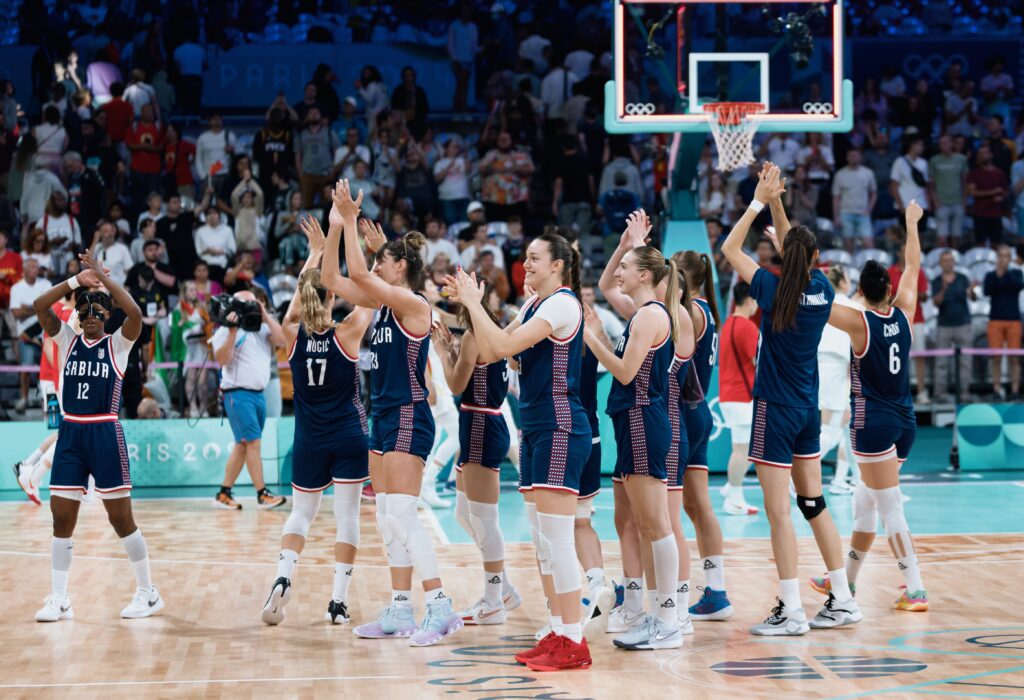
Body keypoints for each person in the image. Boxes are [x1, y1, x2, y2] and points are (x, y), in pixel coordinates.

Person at [721, 163, 862, 635]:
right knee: (813, 503)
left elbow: (728, 248)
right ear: (817, 257)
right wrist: (779, 201)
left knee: (780, 513)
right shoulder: (822, 288)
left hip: (775, 409)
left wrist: (761, 198)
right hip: (806, 408)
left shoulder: (770, 286)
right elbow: (796, 248)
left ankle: (792, 609)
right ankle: (842, 599)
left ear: (782, 253)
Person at [449, 232, 592, 671]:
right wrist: (472, 313)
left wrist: (474, 303)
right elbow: (491, 351)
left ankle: (574, 639)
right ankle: (556, 629)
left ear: (558, 265)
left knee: (557, 541)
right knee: (542, 543)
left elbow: (506, 347)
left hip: (559, 426)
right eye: (525, 257)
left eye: (534, 258)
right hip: (534, 428)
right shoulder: (535, 305)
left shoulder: (564, 304)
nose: (525, 264)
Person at [327, 180, 462, 647]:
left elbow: (363, 278)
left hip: (408, 414)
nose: (376, 262)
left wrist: (348, 222)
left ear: (400, 267)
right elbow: (332, 281)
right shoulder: (382, 303)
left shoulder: (413, 304)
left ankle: (440, 606)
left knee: (404, 515)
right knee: (386, 517)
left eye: (385, 258)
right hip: (382, 416)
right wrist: (333, 228)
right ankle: (401, 608)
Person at [809, 201, 928, 613]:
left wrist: (799, 261)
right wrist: (912, 225)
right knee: (866, 499)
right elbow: (912, 265)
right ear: (890, 290)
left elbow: (815, 301)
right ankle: (846, 579)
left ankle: (915, 587)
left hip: (872, 423)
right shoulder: (906, 311)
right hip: (905, 422)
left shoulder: (858, 322)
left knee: (888, 505)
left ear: (861, 291)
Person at [31, 253, 164, 621]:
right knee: (61, 519)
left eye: (98, 310)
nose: (90, 314)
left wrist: (105, 279)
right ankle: (60, 598)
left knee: (121, 520)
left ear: (107, 316)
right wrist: (77, 281)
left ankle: (148, 592)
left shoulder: (118, 345)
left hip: (105, 433)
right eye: (85, 310)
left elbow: (135, 314)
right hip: (71, 434)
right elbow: (38, 305)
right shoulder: (67, 340)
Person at [261, 215, 374, 627]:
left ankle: (283, 575)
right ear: (332, 298)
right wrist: (352, 237)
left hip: (308, 438)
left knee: (301, 514)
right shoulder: (347, 334)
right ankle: (338, 602)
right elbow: (369, 293)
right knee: (347, 519)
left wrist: (315, 251)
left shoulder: (291, 334)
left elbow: (298, 301)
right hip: (348, 436)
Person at [584, 217, 691, 651]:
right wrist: (628, 242)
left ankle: (668, 620)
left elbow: (626, 371)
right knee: (644, 524)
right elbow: (608, 280)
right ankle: (656, 615)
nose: (620, 273)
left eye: (628, 265)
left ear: (645, 275)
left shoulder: (651, 315)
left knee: (657, 525)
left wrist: (594, 338)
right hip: (633, 422)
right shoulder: (645, 312)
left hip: (645, 420)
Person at [431, 283, 522, 625]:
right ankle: (505, 588)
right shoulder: (494, 331)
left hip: (483, 423)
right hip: (479, 423)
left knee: (485, 520)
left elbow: (455, 386)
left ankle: (494, 600)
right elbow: (466, 380)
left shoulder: (472, 337)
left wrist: (443, 352)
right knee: (463, 513)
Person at [210, 287, 287, 510]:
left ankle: (223, 493)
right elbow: (222, 360)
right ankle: (262, 494)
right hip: (237, 394)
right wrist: (233, 330)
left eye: (253, 303)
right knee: (252, 443)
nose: (249, 308)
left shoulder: (262, 328)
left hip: (258, 394)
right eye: (245, 304)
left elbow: (282, 340)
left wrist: (265, 315)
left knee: (242, 446)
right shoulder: (224, 330)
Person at [717, 280, 759, 515]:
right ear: (749, 300)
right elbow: (759, 363)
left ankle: (730, 486)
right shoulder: (747, 327)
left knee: (752, 448)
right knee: (744, 450)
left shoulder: (729, 325)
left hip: (731, 395)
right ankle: (734, 496)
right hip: (742, 397)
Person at [817, 266, 859, 495]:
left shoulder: (821, 302)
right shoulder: (850, 306)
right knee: (831, 430)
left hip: (832, 369)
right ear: (842, 282)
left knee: (847, 427)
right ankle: (796, 476)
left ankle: (849, 480)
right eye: (848, 277)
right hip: (834, 369)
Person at [931, 250, 975, 403]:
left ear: (954, 262)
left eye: (950, 260)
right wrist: (943, 290)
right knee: (941, 361)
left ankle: (964, 393)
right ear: (940, 263)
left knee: (965, 361)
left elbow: (973, 297)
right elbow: (936, 303)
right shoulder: (937, 281)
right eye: (945, 260)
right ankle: (940, 394)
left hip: (963, 323)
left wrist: (973, 291)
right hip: (944, 325)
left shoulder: (963, 278)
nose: (948, 263)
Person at [10, 257, 52, 411]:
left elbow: (51, 307)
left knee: (48, 369)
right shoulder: (16, 288)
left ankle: (45, 397)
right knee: (26, 367)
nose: (36, 269)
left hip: (45, 333)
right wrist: (38, 307)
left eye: (37, 266)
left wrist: (27, 308)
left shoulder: (46, 284)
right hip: (26, 335)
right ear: (25, 269)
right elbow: (16, 312)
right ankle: (24, 398)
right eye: (33, 266)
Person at [983, 246, 1023, 399]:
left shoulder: (1016, 273)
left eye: (1006, 256)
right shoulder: (991, 275)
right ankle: (996, 389)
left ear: (1010, 258)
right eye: (1001, 256)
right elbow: (988, 291)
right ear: (997, 257)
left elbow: (1017, 286)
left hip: (1014, 320)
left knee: (1014, 357)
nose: (1003, 259)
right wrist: (999, 275)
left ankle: (1014, 390)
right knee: (996, 357)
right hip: (995, 320)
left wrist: (1005, 273)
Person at [169, 280, 211, 418]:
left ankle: (203, 407)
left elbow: (209, 324)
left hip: (202, 348)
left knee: (202, 381)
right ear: (185, 292)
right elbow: (175, 330)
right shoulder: (178, 310)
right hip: (188, 350)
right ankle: (193, 407)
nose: (194, 292)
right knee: (191, 379)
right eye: (191, 290)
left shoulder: (202, 308)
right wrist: (183, 326)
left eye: (195, 289)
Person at [832, 148, 877, 252]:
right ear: (847, 158)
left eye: (855, 155)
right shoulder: (840, 174)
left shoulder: (868, 173)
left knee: (869, 245)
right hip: (846, 213)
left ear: (860, 157)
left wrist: (869, 209)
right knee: (848, 247)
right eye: (851, 156)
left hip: (863, 214)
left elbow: (874, 193)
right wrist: (836, 216)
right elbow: (836, 197)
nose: (853, 158)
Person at [928, 134, 968, 248]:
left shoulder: (961, 159)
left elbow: (965, 182)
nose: (943, 146)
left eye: (945, 143)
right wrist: (935, 201)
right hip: (942, 203)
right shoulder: (934, 160)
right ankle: (941, 261)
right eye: (940, 143)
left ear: (952, 143)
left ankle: (954, 262)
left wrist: (964, 201)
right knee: (942, 238)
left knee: (957, 238)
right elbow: (931, 184)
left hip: (958, 202)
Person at [966, 144, 1008, 248]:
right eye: (980, 154)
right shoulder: (974, 173)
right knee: (980, 244)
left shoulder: (999, 173)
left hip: (996, 214)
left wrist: (1001, 197)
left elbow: (1005, 191)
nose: (982, 156)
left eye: (985, 153)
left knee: (996, 244)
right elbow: (973, 192)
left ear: (991, 155)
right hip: (980, 213)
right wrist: (992, 192)